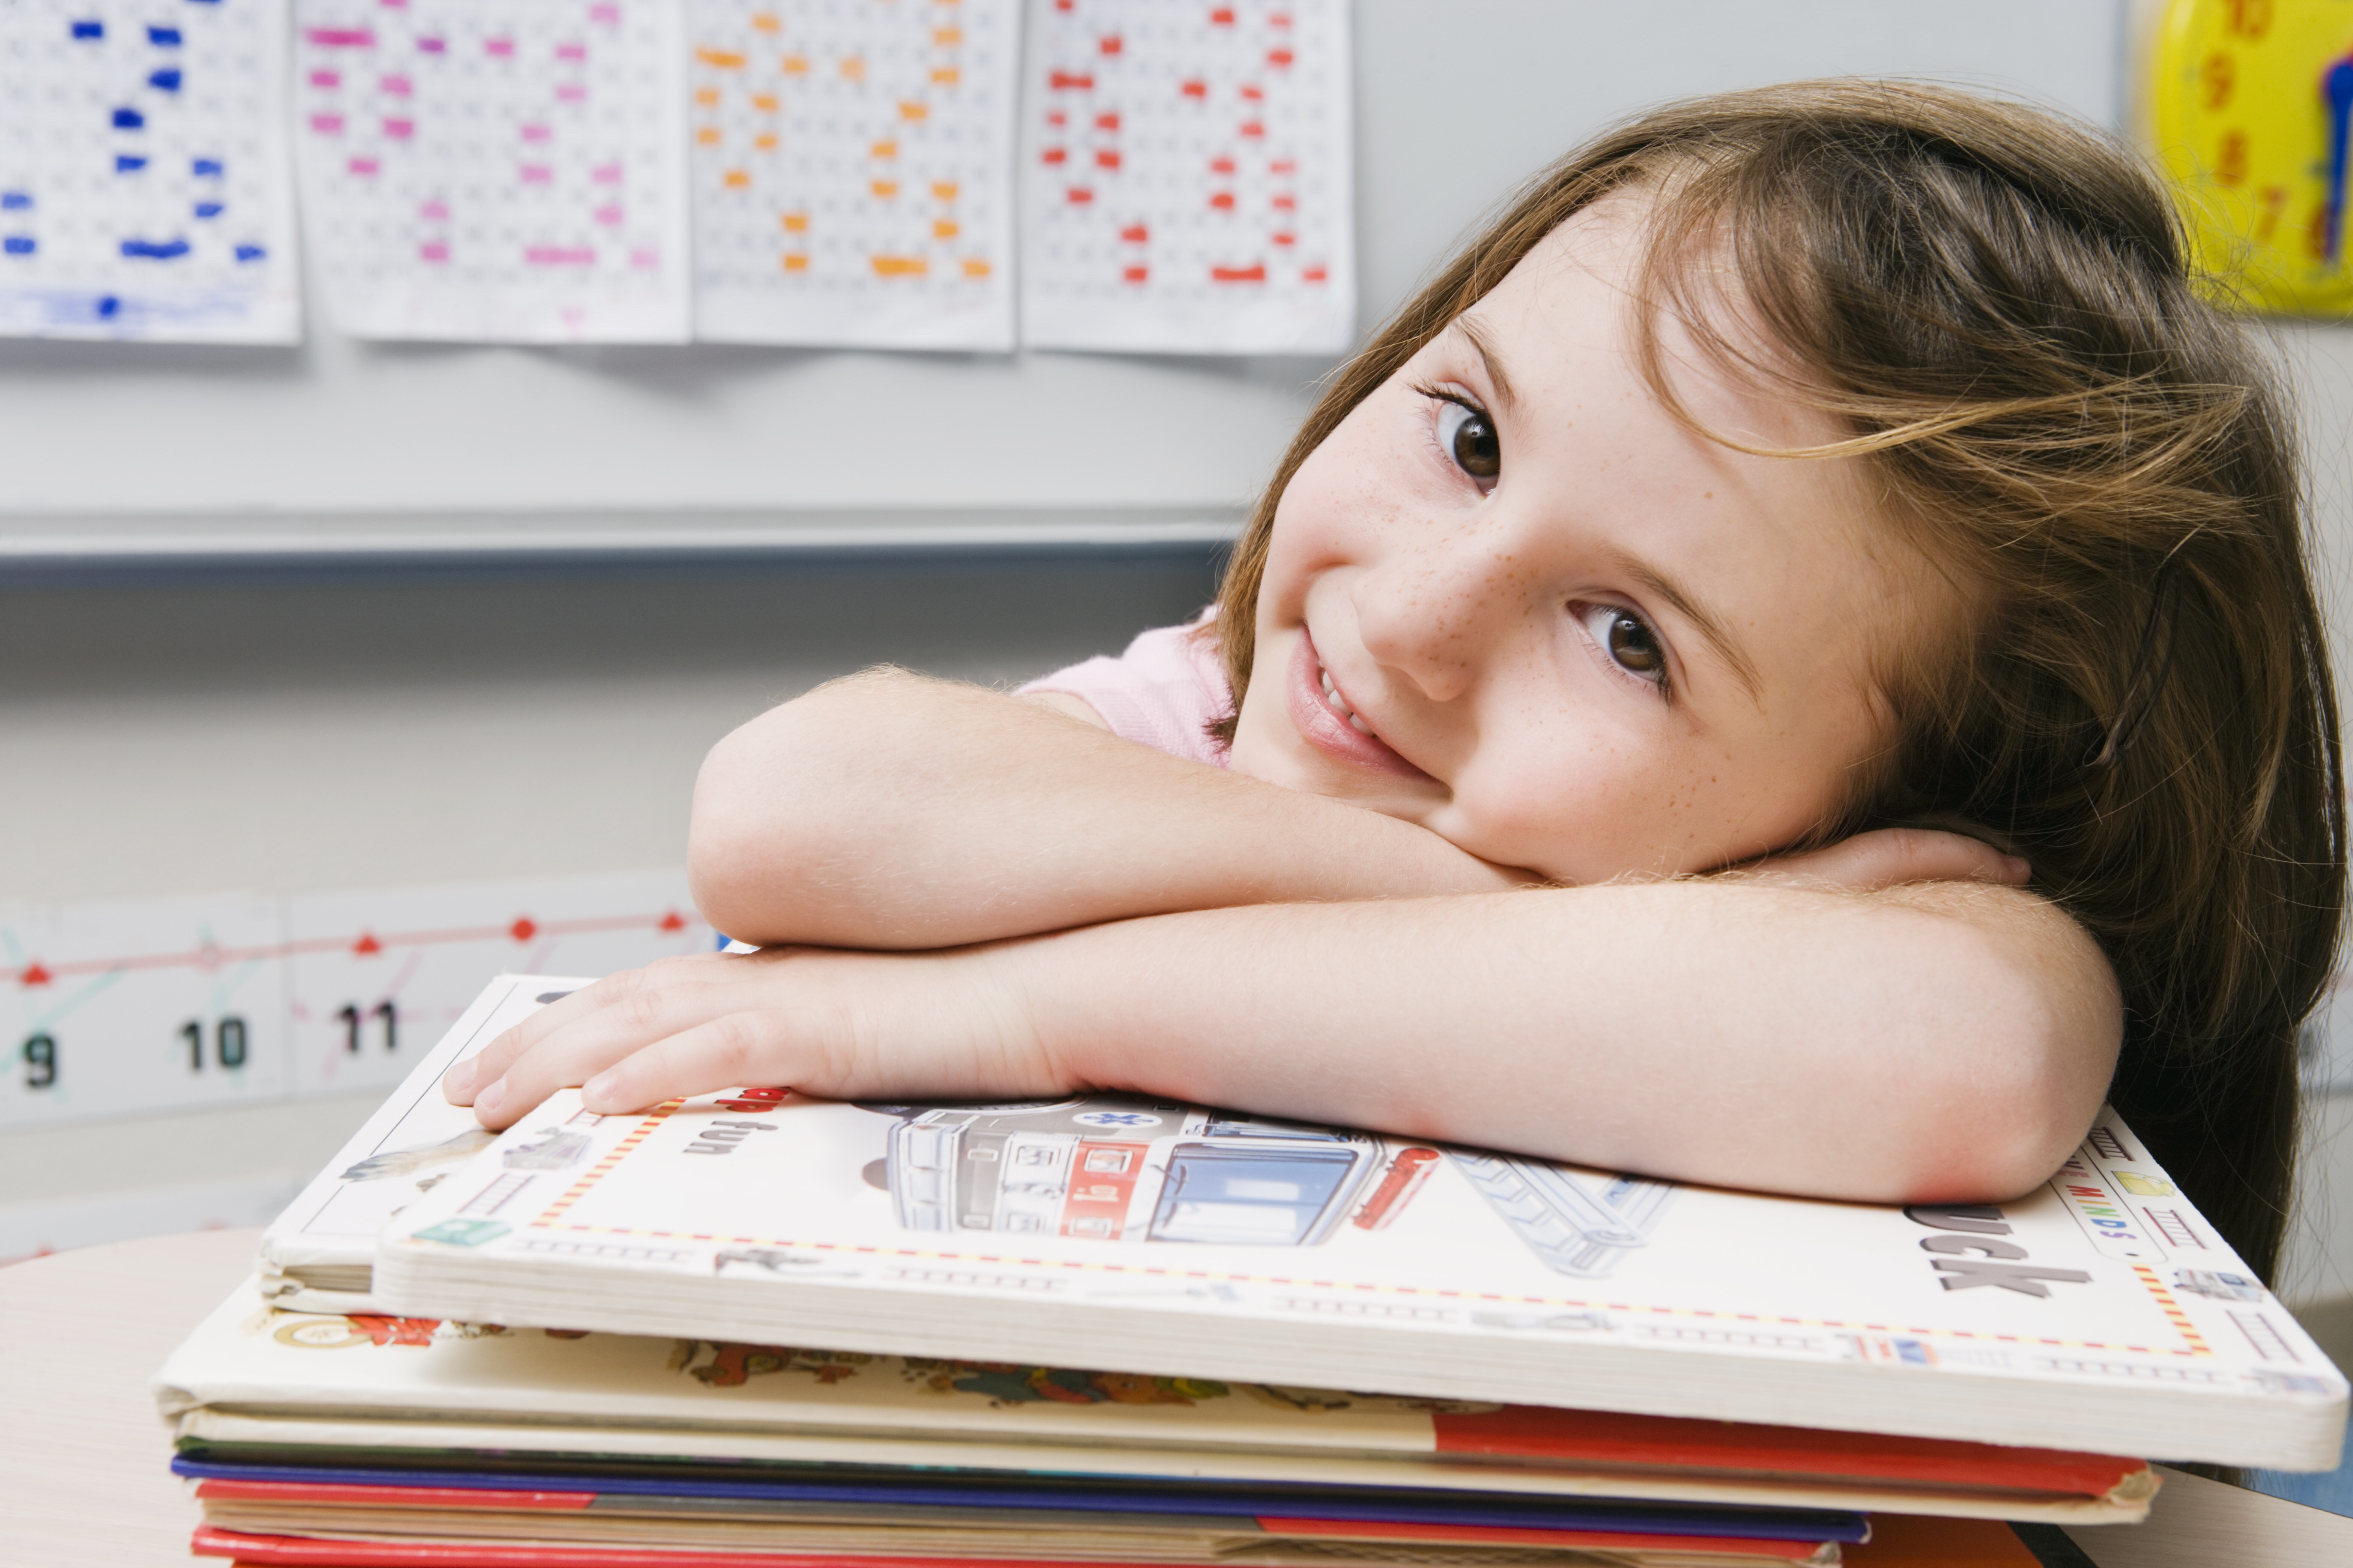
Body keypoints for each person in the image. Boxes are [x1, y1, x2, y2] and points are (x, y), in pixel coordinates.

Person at [447, 81, 2343, 1281]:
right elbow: (791, 814)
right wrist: (1507, 902)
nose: (1419, 619)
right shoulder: (1199, 722)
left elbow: (1966, 1055)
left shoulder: (1920, 931)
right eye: (1464, 436)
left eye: (1629, 640)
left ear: (1899, 814)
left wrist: (1024, 1012)